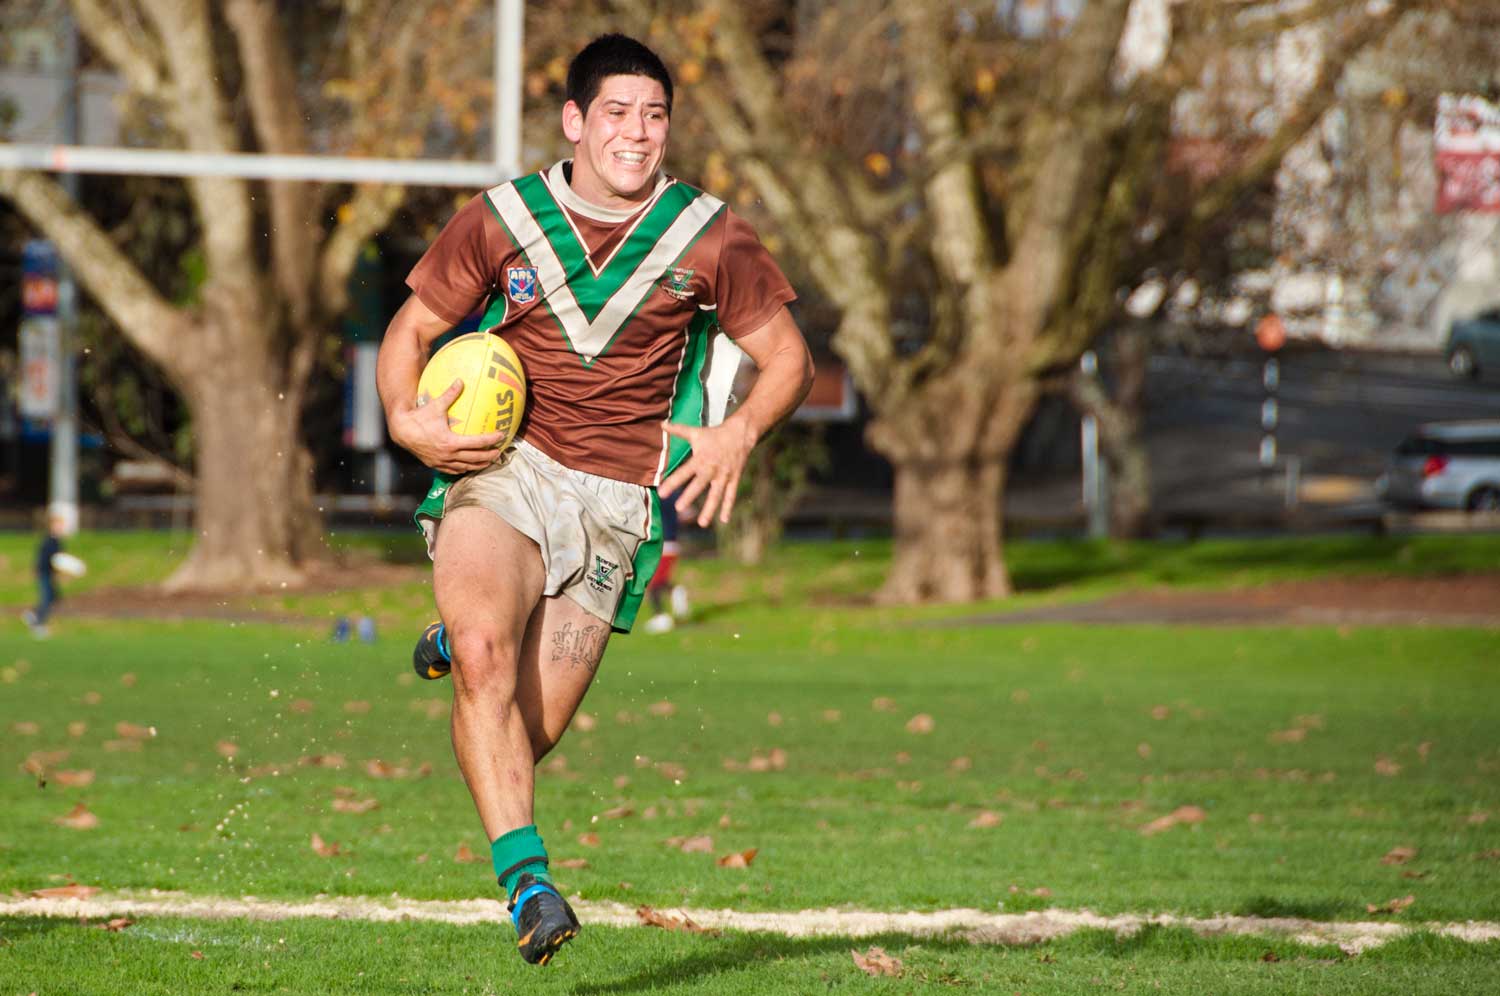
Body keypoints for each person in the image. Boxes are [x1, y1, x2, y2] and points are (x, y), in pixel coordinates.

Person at [375, 33, 813, 967]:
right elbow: (409, 331)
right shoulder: (504, 219)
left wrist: (737, 432)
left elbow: (789, 360)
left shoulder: (710, 235)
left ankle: (458, 644)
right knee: (492, 659)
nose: (638, 133)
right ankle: (528, 883)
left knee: (527, 731)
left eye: (654, 115)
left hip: (618, 505)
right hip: (506, 468)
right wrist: (406, 423)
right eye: (617, 112)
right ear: (576, 121)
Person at [641, 497, 691, 634]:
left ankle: (661, 617)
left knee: (654, 583)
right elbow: (688, 514)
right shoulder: (674, 494)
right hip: (671, 544)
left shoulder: (656, 495)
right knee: (657, 582)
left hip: (662, 545)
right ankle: (674, 590)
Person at [21, 511, 71, 639]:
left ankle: (33, 616)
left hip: (50, 574)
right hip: (44, 573)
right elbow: (44, 558)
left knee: (54, 597)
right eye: (58, 525)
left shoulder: (58, 541)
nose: (60, 528)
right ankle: (37, 623)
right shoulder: (48, 541)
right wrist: (38, 570)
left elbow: (60, 560)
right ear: (52, 526)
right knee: (47, 598)